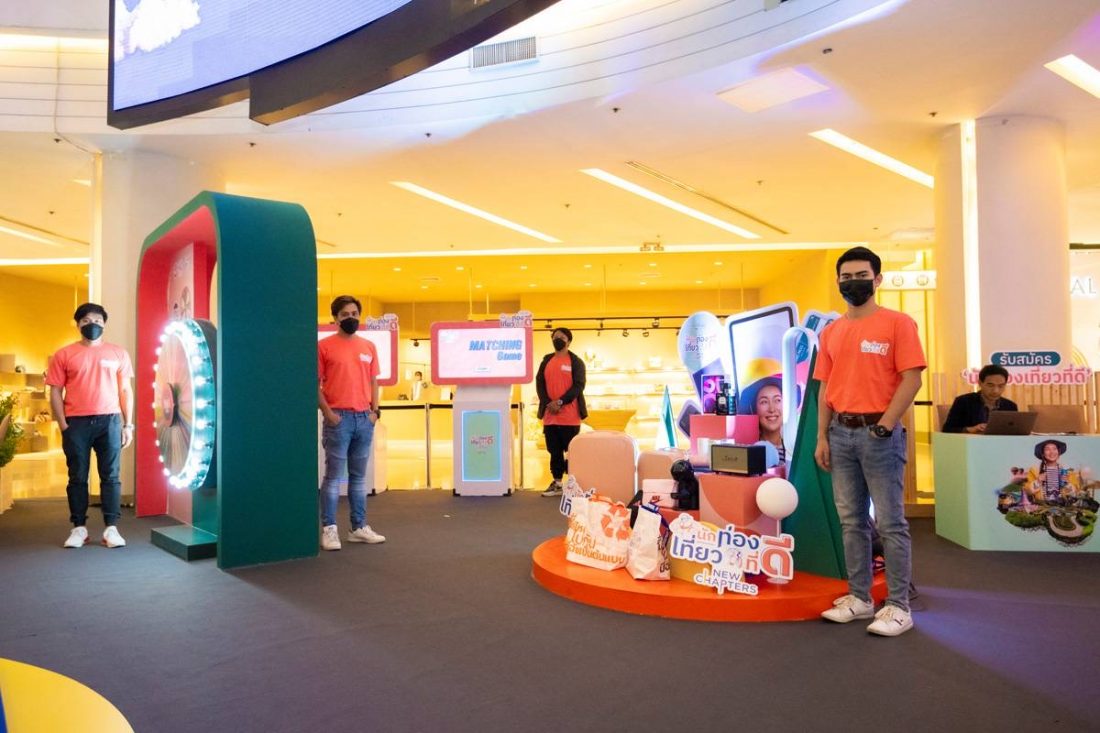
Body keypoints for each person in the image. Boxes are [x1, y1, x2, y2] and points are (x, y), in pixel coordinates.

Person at [813, 246, 926, 637]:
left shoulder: (898, 324)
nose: (853, 283)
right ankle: (860, 598)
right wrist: (822, 436)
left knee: (891, 523)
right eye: (846, 277)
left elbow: (912, 378)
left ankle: (898, 606)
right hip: (840, 433)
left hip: (880, 434)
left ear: (877, 279)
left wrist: (885, 425)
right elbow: (825, 387)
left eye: (861, 276)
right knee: (851, 521)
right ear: (838, 282)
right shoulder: (831, 332)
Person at [45, 302, 134, 549]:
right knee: (77, 476)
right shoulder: (64, 355)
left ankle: (112, 529)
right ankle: (78, 529)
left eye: (96, 320)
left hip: (110, 421)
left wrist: (128, 425)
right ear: (78, 325)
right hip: (76, 424)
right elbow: (55, 391)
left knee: (111, 476)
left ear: (104, 324)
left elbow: (125, 390)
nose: (91, 324)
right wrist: (63, 425)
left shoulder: (118, 353)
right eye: (85, 321)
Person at [318, 295, 385, 551]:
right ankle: (329, 529)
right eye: (345, 314)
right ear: (335, 318)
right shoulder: (324, 346)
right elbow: (314, 384)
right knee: (333, 478)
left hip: (364, 419)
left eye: (354, 314)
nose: (351, 318)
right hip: (338, 419)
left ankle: (358, 527)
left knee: (358, 478)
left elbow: (374, 381)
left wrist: (375, 412)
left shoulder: (368, 346)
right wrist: (328, 413)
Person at [536, 327, 587, 497]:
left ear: (569, 341)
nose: (558, 339)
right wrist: (547, 403)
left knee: (573, 453)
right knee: (554, 451)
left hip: (570, 417)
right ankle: (557, 483)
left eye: (562, 337)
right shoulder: (546, 361)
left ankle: (574, 485)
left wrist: (560, 402)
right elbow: (540, 383)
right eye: (555, 337)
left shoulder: (576, 362)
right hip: (550, 416)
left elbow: (579, 385)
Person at [942, 364, 1018, 433]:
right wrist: (970, 429)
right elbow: (947, 429)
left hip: (1001, 443)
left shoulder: (1010, 406)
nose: (995, 391)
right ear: (980, 383)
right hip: (972, 442)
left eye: (1001, 386)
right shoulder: (963, 402)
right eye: (990, 385)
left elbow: (1015, 432)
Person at [1024, 439, 1081, 505]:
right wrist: (1038, 481)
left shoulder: (1068, 472)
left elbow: (1075, 493)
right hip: (1041, 507)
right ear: (1043, 454)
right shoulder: (1034, 471)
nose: (1052, 452)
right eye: (1047, 449)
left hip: (1063, 507)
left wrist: (1067, 484)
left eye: (1054, 449)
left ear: (1058, 453)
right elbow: (1027, 491)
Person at [746, 378, 785, 463]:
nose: (772, 409)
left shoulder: (796, 448)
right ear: (754, 409)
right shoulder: (747, 449)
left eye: (777, 400)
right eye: (764, 402)